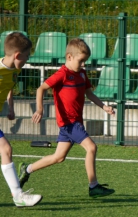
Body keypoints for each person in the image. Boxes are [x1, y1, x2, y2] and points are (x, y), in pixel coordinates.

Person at [18, 38, 115, 198]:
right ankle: (93, 186)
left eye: (85, 61)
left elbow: (89, 93)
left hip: (74, 122)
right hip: (69, 123)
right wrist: (40, 109)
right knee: (91, 148)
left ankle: (27, 169)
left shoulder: (82, 74)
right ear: (69, 57)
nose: (84, 65)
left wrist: (103, 106)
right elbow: (41, 89)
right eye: (81, 61)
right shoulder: (62, 74)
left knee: (58, 157)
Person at [0, 32, 42, 207]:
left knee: (5, 150)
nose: (27, 59)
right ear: (17, 55)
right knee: (5, 149)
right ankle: (18, 195)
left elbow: (9, 87)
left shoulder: (14, 70)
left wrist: (11, 106)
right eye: (26, 56)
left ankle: (18, 195)